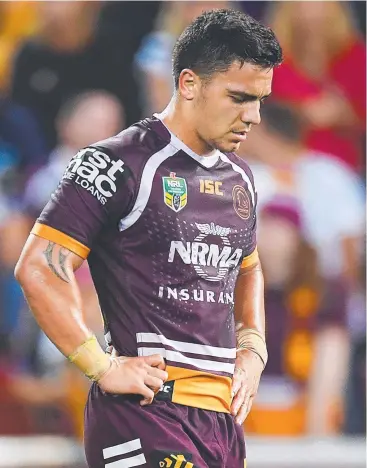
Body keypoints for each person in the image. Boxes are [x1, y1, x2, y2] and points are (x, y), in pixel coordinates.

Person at [15, 8, 282, 468]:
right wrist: (100, 365)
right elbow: (38, 266)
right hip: (144, 416)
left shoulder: (240, 178)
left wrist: (253, 347)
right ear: (188, 84)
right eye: (239, 97)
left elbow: (248, 266)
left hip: (220, 424)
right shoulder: (117, 163)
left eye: (260, 100)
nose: (254, 116)